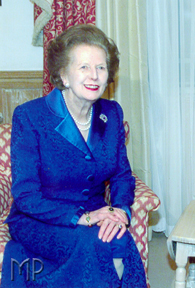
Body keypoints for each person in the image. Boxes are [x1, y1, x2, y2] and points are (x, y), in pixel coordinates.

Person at [1, 24, 146, 287]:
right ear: (63, 75)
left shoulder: (112, 113)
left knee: (119, 238)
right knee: (92, 242)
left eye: (101, 67)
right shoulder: (30, 117)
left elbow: (122, 175)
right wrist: (84, 218)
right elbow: (25, 196)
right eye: (84, 67)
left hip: (94, 210)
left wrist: (120, 210)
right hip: (39, 219)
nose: (94, 76)